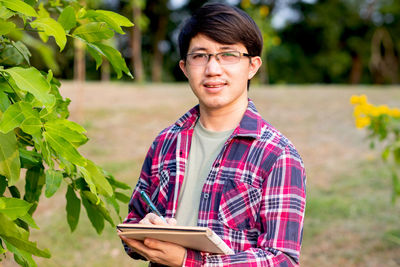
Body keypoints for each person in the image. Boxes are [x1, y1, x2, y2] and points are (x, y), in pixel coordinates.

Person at [120, 3, 306, 266]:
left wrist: (189, 261)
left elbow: (282, 259)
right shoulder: (165, 143)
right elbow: (132, 224)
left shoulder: (277, 156)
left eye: (228, 55)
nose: (213, 69)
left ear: (252, 66)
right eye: (200, 56)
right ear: (185, 67)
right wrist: (144, 229)